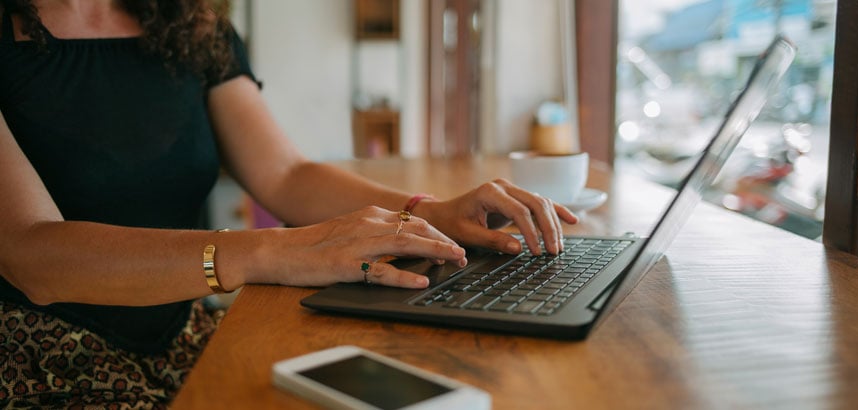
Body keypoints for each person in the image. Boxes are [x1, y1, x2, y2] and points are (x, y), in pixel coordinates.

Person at [0, 0, 578, 407]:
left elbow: (284, 173)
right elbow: (31, 253)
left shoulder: (187, 22)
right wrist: (271, 251)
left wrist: (429, 212)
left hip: (183, 334)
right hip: (39, 360)